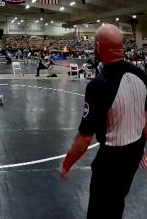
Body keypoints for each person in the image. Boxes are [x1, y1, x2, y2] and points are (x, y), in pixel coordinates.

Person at [60, 24, 147, 219]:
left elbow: (84, 139)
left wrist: (67, 163)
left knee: (99, 208)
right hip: (133, 154)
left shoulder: (99, 85)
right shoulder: (141, 75)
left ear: (99, 47)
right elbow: (145, 118)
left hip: (112, 160)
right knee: (117, 201)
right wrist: (140, 148)